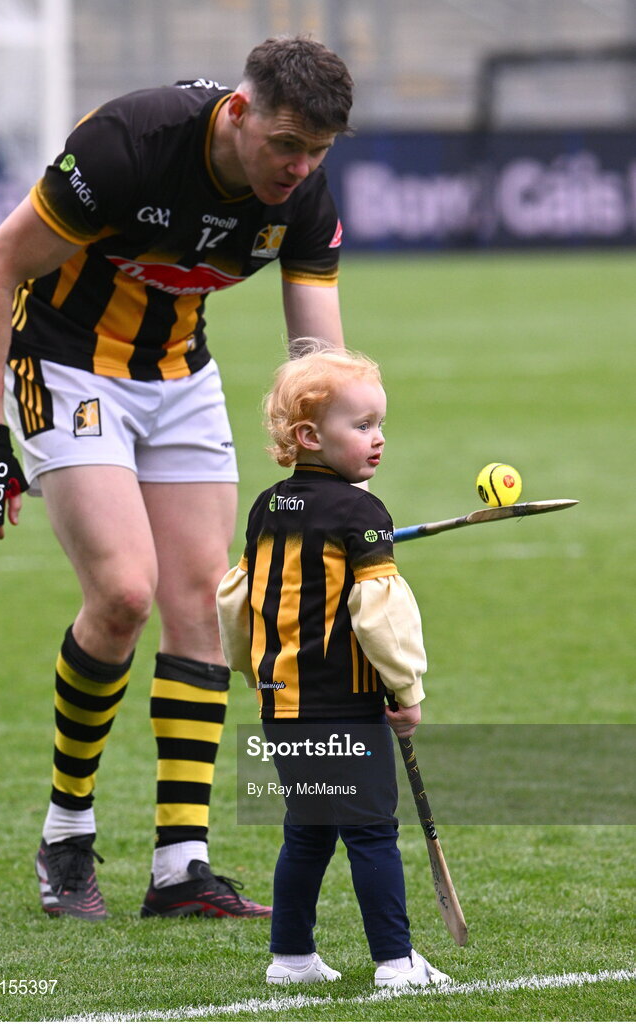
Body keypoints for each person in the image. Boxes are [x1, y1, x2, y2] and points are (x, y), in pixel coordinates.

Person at [0, 36, 354, 921]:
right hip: (65, 362)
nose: (299, 167)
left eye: (319, 151)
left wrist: (332, 468)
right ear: (240, 114)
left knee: (202, 605)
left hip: (178, 376)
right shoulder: (130, 143)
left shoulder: (305, 192)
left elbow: (316, 354)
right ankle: (66, 834)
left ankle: (182, 866)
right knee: (124, 595)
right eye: (286, 144)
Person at [216, 348, 451, 986]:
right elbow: (381, 614)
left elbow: (237, 600)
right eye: (362, 425)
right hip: (345, 704)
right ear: (309, 436)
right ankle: (396, 963)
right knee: (372, 832)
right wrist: (406, 689)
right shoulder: (361, 513)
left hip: (282, 704)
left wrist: (253, 673)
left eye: (379, 425)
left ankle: (290, 959)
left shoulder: (265, 508)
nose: (377, 440)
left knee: (309, 830)